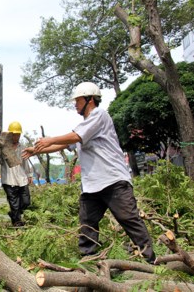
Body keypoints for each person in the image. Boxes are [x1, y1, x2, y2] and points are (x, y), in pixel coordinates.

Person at [22, 82, 156, 263]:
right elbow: (63, 144)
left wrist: (50, 139)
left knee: (128, 218)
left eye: (78, 100)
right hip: (92, 185)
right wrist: (35, 150)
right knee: (87, 222)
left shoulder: (99, 116)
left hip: (114, 180)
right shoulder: (85, 126)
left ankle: (149, 259)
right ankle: (89, 259)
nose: (75, 104)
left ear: (90, 99)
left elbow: (74, 137)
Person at [1, 121, 33, 227]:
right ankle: (17, 224)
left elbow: (25, 162)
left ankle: (14, 214)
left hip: (22, 179)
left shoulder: (22, 147)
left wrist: (29, 175)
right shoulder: (3, 147)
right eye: (14, 134)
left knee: (26, 202)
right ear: (10, 134)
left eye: (18, 134)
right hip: (9, 180)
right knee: (14, 204)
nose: (16, 137)